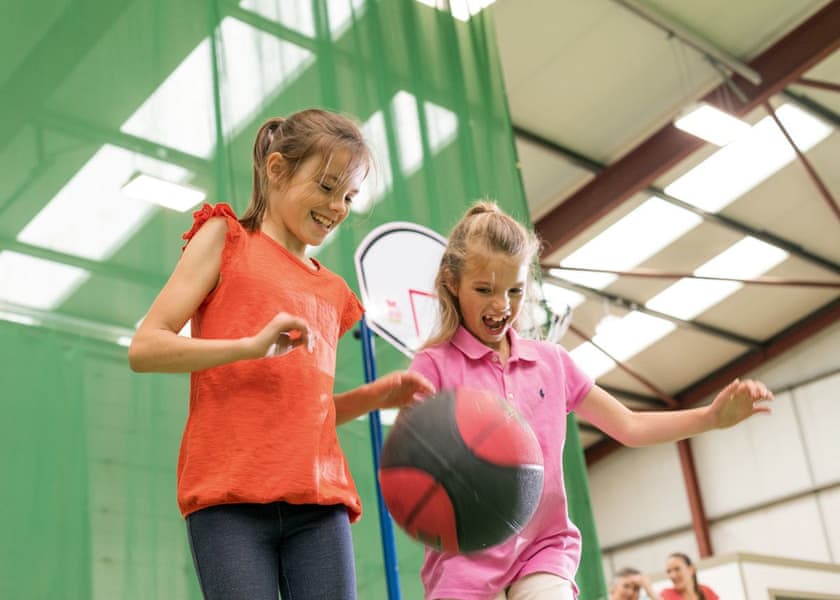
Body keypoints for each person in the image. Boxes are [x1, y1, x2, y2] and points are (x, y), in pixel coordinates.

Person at [128, 108, 434, 600]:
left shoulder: (333, 292)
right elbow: (145, 346)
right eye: (328, 187)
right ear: (276, 169)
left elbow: (306, 414)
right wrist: (249, 348)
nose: (338, 207)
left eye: (350, 196)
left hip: (319, 506)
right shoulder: (225, 240)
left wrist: (376, 396)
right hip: (229, 503)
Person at [406, 201, 773, 600]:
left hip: (542, 552)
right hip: (467, 563)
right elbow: (415, 466)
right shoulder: (433, 366)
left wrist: (710, 417)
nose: (502, 306)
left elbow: (629, 426)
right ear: (451, 282)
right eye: (484, 290)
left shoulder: (551, 362)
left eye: (515, 290)